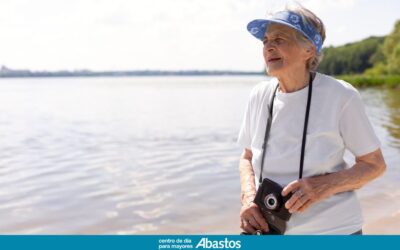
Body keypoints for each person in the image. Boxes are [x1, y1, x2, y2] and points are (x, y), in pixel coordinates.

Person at [237, 5, 386, 235]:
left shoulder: (341, 96)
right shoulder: (259, 95)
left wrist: (322, 186)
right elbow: (247, 157)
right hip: (265, 231)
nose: (269, 46)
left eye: (279, 38)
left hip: (334, 232)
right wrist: (248, 199)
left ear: (309, 49)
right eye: (265, 40)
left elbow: (374, 165)